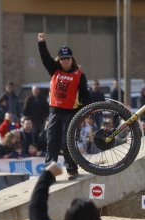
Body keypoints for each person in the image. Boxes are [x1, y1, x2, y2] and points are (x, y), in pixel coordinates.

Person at [38, 32, 91, 180]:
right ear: (59, 60)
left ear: (71, 59)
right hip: (55, 111)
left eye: (67, 58)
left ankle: (72, 169)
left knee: (67, 142)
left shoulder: (79, 75)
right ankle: (50, 172)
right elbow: (45, 58)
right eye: (62, 59)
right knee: (52, 141)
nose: (65, 61)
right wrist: (41, 43)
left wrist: (85, 113)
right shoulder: (55, 70)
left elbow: (85, 96)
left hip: (71, 113)